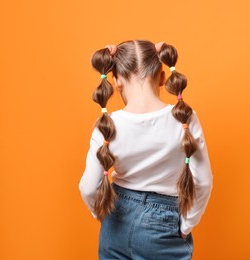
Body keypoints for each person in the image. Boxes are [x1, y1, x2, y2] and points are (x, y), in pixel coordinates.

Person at [79, 39, 213, 260]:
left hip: (115, 219)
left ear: (116, 80)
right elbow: (203, 181)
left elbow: (88, 187)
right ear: (162, 78)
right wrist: (186, 225)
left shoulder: (107, 125)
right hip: (162, 223)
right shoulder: (184, 119)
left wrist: (102, 214)